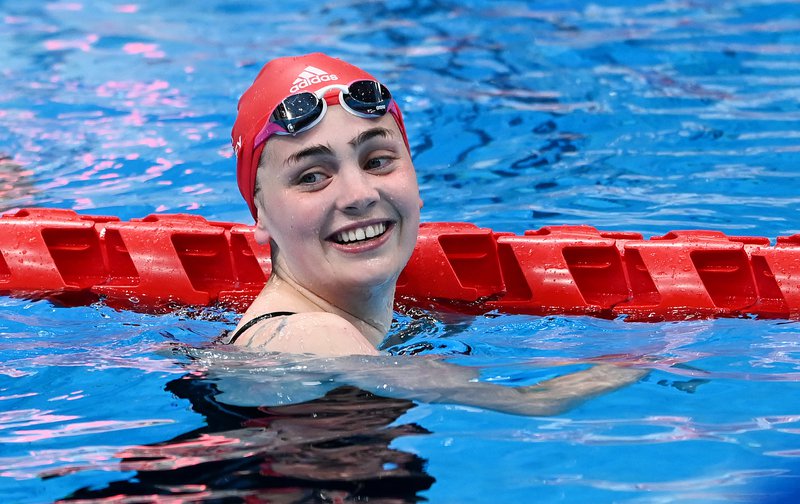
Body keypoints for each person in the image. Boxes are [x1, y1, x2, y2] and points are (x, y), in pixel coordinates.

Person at [225, 52, 648, 416]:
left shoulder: (320, 330)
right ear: (259, 214)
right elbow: (534, 402)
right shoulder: (311, 335)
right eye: (312, 176)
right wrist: (656, 355)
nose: (359, 195)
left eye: (377, 161)